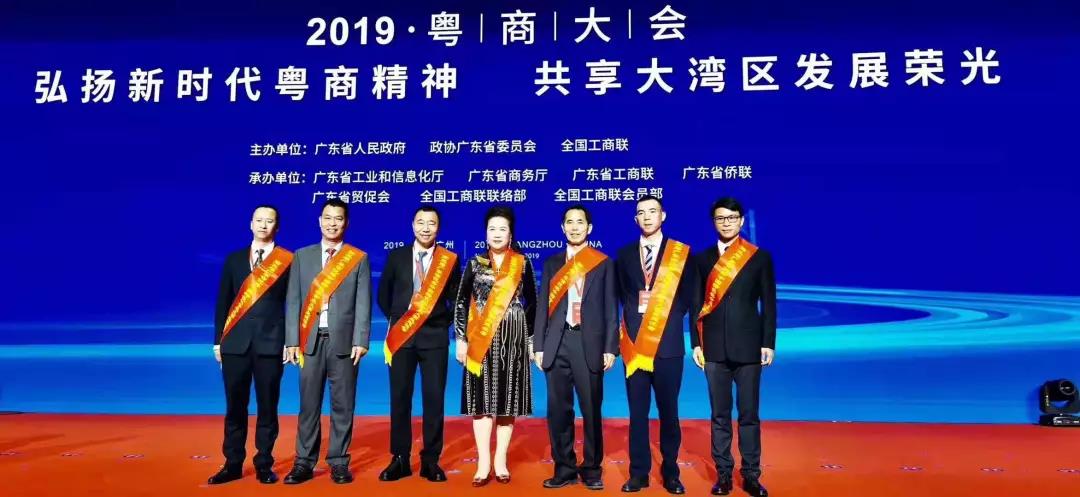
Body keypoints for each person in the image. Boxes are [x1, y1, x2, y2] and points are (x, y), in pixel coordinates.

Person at [283, 198, 372, 485]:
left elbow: (363, 303)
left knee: (343, 405)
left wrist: (361, 339)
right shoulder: (302, 256)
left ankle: (339, 461)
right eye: (328, 218)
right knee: (308, 405)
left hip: (344, 342)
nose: (332, 223)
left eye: (338, 218)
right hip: (309, 341)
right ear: (319, 221)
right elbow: (293, 300)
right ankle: (303, 462)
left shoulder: (357, 258)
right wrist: (291, 340)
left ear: (346, 223)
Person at [616, 195, 699, 494]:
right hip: (635, 347)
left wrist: (665, 316)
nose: (647, 216)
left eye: (653, 211)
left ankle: (671, 473)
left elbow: (690, 297)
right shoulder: (625, 254)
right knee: (637, 414)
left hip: (668, 346)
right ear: (635, 219)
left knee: (669, 412)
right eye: (641, 212)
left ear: (663, 215)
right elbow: (623, 296)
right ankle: (638, 473)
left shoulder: (681, 253)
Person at [692, 197, 776, 497]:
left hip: (749, 348)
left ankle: (751, 475)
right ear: (713, 222)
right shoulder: (702, 259)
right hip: (713, 348)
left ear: (741, 220)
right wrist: (696, 343)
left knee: (749, 414)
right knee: (719, 415)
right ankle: (724, 474)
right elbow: (695, 305)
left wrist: (768, 343)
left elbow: (769, 304)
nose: (726, 223)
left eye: (731, 218)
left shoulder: (759, 257)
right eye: (720, 218)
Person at [534, 204, 618, 490]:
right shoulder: (552, 263)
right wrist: (539, 345)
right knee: (558, 410)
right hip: (557, 343)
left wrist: (610, 347)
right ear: (562, 228)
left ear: (589, 228)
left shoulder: (602, 263)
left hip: (588, 343)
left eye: (579, 222)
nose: (574, 227)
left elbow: (610, 308)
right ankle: (564, 468)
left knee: (591, 409)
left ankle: (592, 469)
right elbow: (542, 308)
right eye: (569, 222)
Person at [377, 206, 461, 483]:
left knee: (434, 400)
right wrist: (400, 320)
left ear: (439, 227)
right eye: (421, 222)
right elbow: (383, 295)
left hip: (434, 339)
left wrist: (440, 321)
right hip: (401, 338)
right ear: (412, 225)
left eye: (431, 223)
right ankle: (400, 458)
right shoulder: (397, 256)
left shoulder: (449, 260)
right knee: (400, 398)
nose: (426, 228)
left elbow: (457, 299)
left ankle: (430, 460)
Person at [454, 206, 537, 487]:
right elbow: (461, 302)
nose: (497, 234)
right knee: (480, 403)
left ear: (511, 234)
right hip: (480, 341)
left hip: (513, 341)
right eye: (492, 229)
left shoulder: (522, 263)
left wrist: (529, 338)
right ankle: (483, 462)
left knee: (507, 400)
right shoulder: (475, 263)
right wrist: (461, 338)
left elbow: (534, 303)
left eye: (502, 229)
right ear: (485, 234)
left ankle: (500, 461)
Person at [209, 205, 292, 485]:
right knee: (235, 407)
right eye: (259, 220)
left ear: (277, 227)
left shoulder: (287, 260)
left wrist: (290, 341)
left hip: (271, 345)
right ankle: (232, 463)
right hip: (235, 345)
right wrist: (218, 341)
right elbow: (223, 302)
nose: (263, 225)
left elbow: (293, 304)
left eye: (269, 221)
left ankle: (264, 463)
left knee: (268, 407)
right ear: (250, 224)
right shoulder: (234, 260)